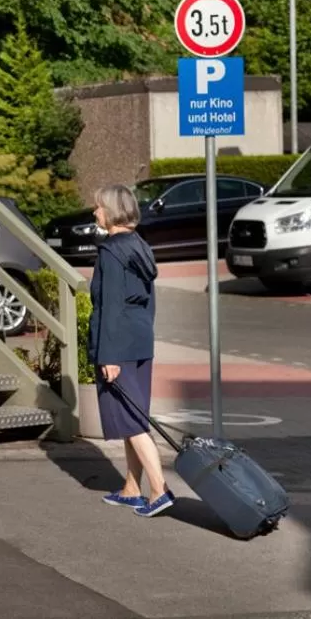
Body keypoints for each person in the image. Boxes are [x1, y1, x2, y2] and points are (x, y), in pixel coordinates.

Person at [89, 183, 173, 517]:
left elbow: (108, 307)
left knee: (132, 421)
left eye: (97, 206)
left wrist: (107, 356)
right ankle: (131, 488)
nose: (95, 212)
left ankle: (158, 490)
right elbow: (148, 303)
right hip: (140, 339)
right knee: (133, 417)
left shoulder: (111, 252)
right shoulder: (140, 247)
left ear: (110, 211)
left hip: (117, 344)